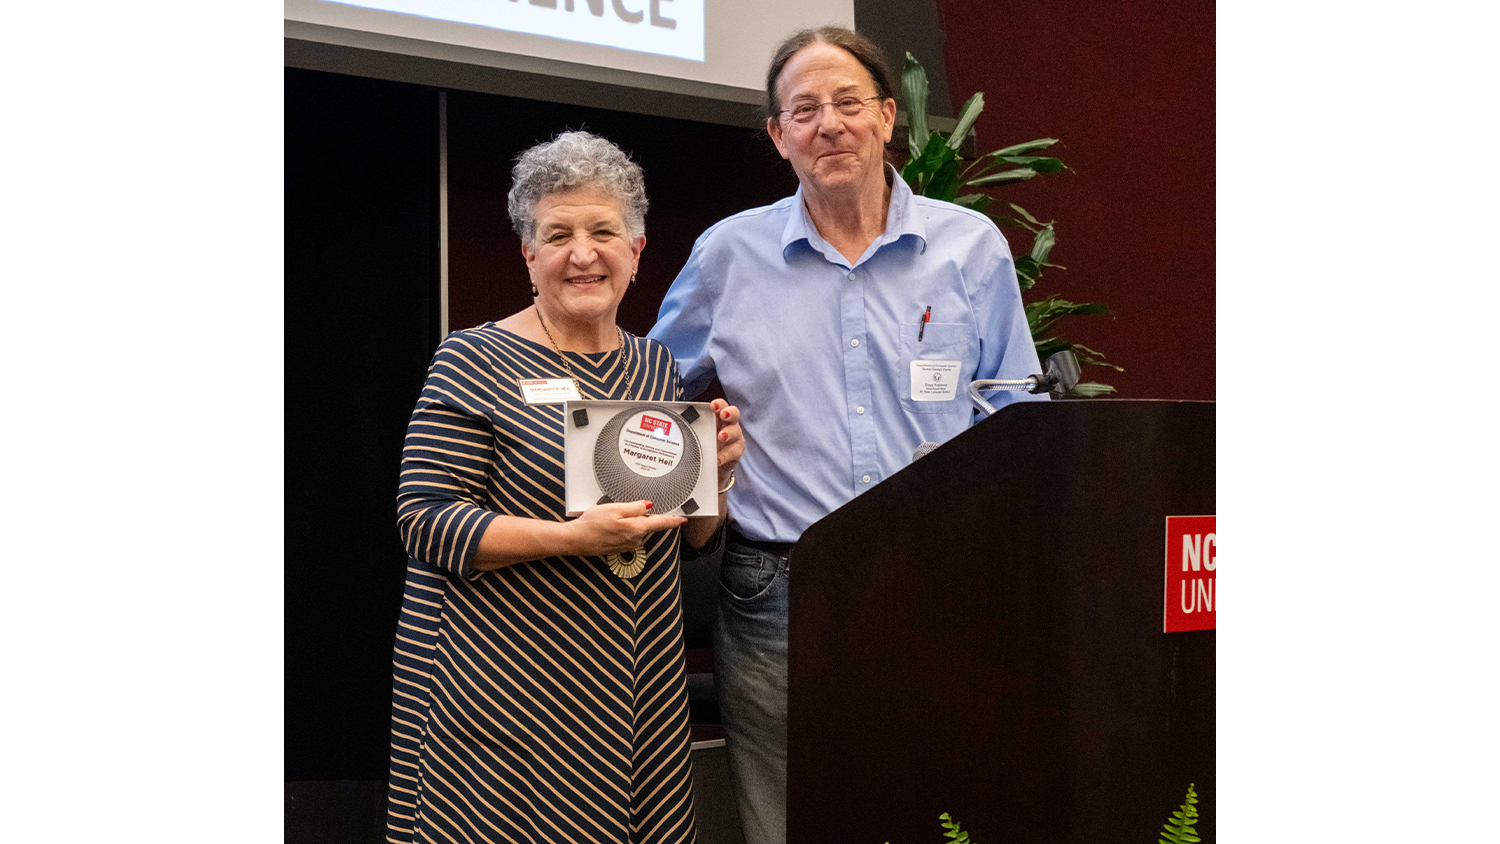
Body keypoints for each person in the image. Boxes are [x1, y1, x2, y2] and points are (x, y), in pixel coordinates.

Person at [647, 27, 1047, 844]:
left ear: (888, 118)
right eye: (803, 109)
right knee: (791, 819)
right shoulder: (728, 255)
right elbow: (653, 400)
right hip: (778, 588)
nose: (828, 123)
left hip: (940, 578)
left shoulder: (970, 248)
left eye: (847, 102)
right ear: (778, 136)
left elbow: (1016, 417)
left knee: (936, 800)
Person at [386, 130, 744, 844]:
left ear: (637, 251)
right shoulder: (472, 358)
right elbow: (423, 521)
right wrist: (569, 540)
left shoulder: (655, 369)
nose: (583, 253)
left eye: (604, 231)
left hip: (635, 689)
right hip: (505, 689)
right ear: (529, 254)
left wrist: (721, 478)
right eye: (558, 234)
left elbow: (690, 541)